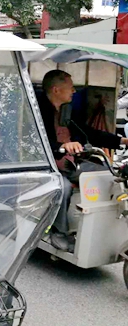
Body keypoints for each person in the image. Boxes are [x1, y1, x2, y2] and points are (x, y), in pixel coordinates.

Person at [38, 70, 128, 251]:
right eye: (70, 88)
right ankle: (58, 232)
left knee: (107, 175)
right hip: (46, 167)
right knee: (61, 188)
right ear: (56, 90)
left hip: (71, 163)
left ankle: (98, 227)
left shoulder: (67, 112)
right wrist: (63, 146)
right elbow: (38, 140)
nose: (74, 92)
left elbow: (90, 134)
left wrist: (121, 141)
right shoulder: (37, 110)